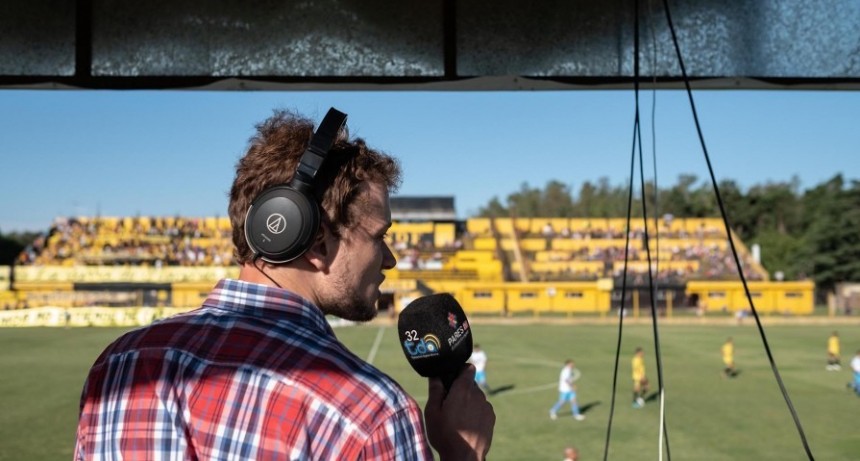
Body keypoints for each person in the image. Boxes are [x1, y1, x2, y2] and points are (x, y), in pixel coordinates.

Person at [75, 109, 495, 460]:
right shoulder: (370, 413)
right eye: (379, 236)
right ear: (311, 238)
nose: (390, 258)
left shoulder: (119, 364)